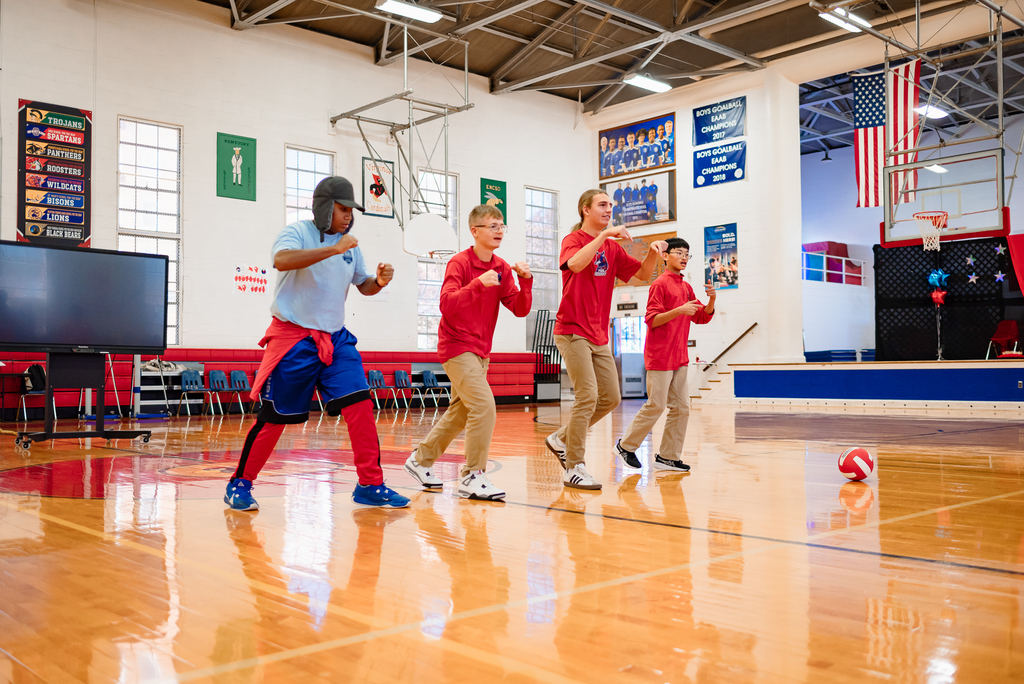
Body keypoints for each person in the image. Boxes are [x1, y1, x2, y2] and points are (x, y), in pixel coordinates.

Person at [224, 176, 410, 511]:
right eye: (342, 209)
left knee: (361, 406)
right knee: (274, 418)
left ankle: (370, 483)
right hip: (294, 338)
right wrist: (333, 249)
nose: (348, 216)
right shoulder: (296, 232)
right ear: (324, 206)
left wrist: (378, 282)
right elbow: (282, 261)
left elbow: (363, 285)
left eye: (351, 211)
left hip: (336, 340)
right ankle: (240, 483)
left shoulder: (350, 247)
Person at [404, 205, 532, 501]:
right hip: (456, 347)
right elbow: (446, 304)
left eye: (502, 226)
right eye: (492, 226)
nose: (499, 231)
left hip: (480, 352)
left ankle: (421, 460)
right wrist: (477, 284)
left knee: (461, 412)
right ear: (475, 231)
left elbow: (520, 308)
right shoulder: (459, 263)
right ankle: (473, 475)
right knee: (485, 406)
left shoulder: (500, 267)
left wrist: (525, 281)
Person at [545, 189, 668, 489]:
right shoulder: (573, 241)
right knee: (587, 396)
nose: (608, 209)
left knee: (611, 397)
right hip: (572, 330)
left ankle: (560, 438)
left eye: (610, 205)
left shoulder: (612, 250)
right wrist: (604, 236)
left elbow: (641, 276)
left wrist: (653, 252)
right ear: (585, 209)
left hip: (599, 334)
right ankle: (574, 466)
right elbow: (575, 264)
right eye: (602, 205)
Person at [614, 238, 716, 472]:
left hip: (680, 358)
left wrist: (711, 299)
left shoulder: (686, 286)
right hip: (660, 357)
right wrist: (679, 310)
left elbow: (701, 317)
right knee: (656, 405)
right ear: (665, 256)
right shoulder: (659, 284)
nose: (683, 257)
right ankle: (625, 446)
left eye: (686, 254)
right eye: (678, 252)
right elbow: (651, 319)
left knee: (682, 408)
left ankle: (668, 456)